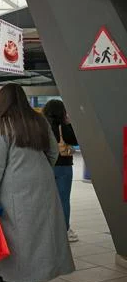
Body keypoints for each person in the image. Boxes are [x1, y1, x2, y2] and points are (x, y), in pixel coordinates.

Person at [0, 84, 74, 282]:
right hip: (44, 185)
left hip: (15, 188)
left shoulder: (2, 125)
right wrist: (40, 172)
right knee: (39, 234)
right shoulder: (39, 120)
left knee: (17, 236)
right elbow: (53, 152)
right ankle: (7, 275)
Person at [43, 99, 79, 242]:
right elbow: (75, 140)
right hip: (64, 166)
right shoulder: (63, 126)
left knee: (48, 199)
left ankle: (49, 229)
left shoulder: (42, 126)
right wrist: (68, 122)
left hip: (47, 166)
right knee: (63, 199)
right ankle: (64, 231)